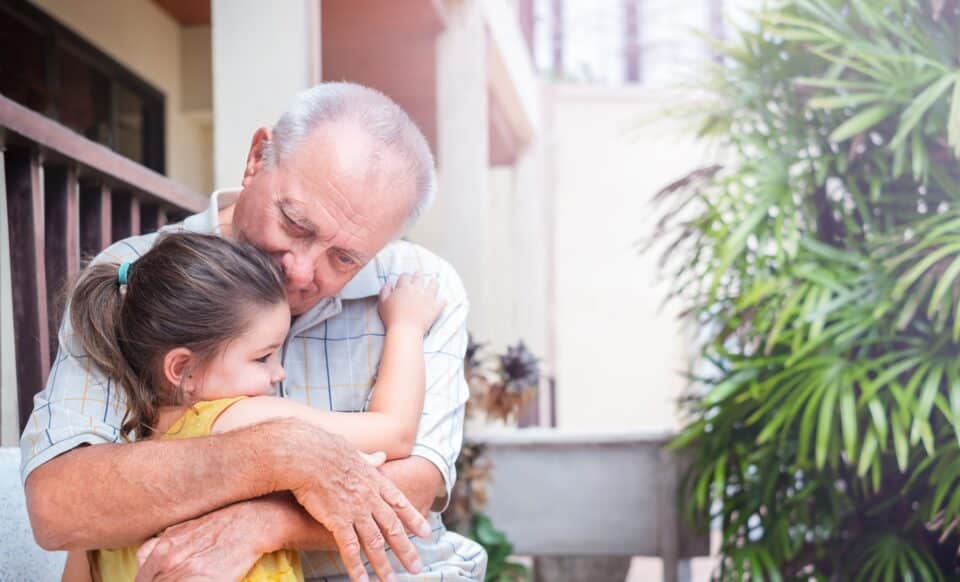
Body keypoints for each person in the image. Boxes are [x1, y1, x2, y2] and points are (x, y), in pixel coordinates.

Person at [21, 82, 487, 582]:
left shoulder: (419, 285)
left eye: (345, 258)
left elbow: (414, 488)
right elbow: (59, 507)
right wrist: (278, 453)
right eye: (295, 223)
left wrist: (262, 522)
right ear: (257, 158)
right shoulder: (134, 278)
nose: (302, 272)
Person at [57, 232, 444, 581]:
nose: (278, 374)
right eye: (263, 358)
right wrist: (406, 327)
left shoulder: (110, 497)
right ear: (183, 369)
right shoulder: (241, 418)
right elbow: (394, 432)